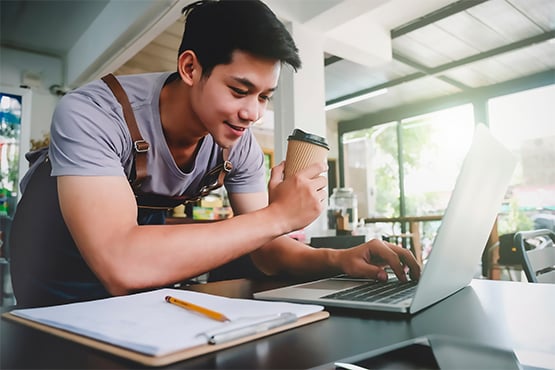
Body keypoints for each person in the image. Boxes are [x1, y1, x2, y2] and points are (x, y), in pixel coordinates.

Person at [10, 0, 420, 308]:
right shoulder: (93, 113)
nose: (253, 113)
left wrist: (341, 258)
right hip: (52, 252)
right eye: (239, 91)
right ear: (190, 68)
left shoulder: (237, 144)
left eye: (264, 96)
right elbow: (122, 265)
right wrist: (278, 215)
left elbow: (268, 249)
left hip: (133, 243)